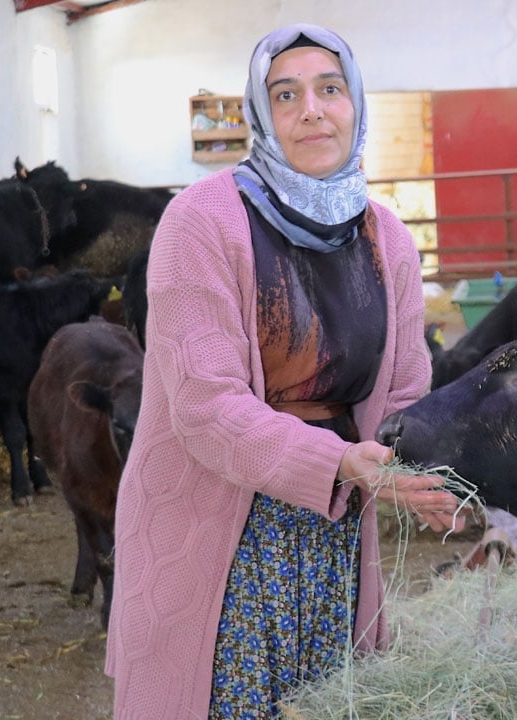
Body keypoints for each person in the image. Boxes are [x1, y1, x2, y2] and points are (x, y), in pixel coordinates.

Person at [105, 23, 464, 719]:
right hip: (224, 525)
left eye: (330, 89)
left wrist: (437, 462)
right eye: (286, 94)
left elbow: (407, 390)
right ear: (261, 115)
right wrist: (347, 465)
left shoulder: (385, 237)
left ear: (356, 104)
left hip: (332, 533)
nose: (312, 109)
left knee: (323, 703)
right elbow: (206, 407)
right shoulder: (201, 221)